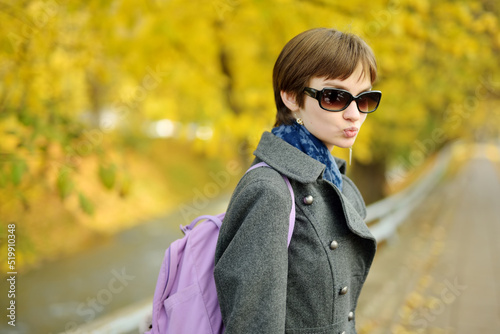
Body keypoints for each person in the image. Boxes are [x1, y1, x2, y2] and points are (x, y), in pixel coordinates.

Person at [214, 27, 382, 334]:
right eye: (335, 97)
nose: (354, 114)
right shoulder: (270, 191)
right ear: (291, 97)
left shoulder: (331, 180)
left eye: (365, 99)